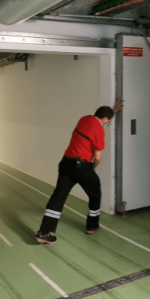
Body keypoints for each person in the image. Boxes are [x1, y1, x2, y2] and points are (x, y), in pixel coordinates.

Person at [36, 99, 123, 244]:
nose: (107, 125)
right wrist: (92, 169)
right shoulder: (99, 131)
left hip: (66, 163)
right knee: (95, 193)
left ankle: (43, 232)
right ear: (105, 119)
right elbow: (98, 156)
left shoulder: (84, 119)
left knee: (58, 197)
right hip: (81, 166)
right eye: (108, 122)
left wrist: (114, 111)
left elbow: (99, 119)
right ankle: (92, 226)